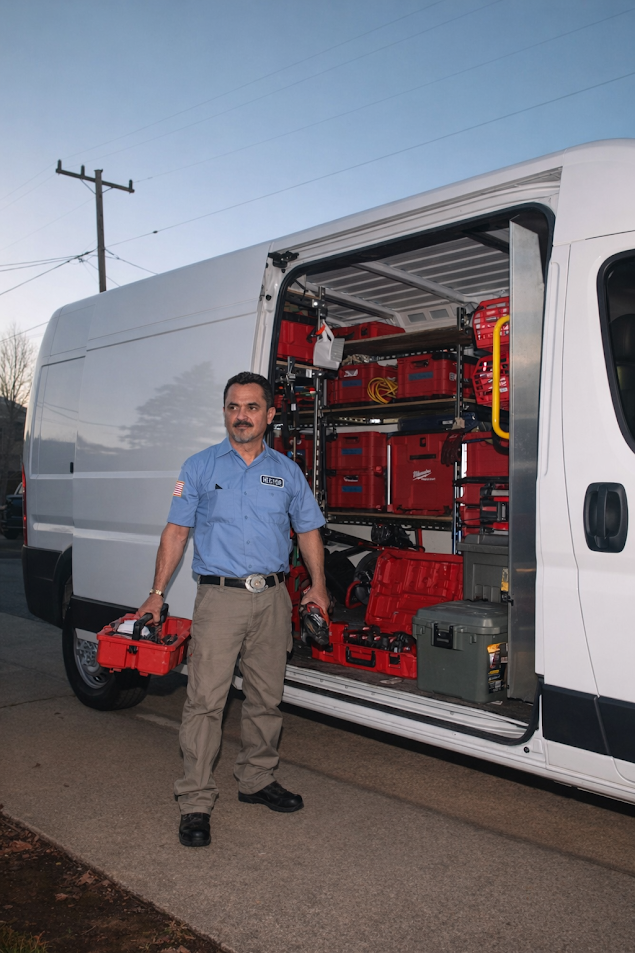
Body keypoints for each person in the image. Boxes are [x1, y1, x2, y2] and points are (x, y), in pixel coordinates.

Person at [137, 371, 328, 848]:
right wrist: (156, 593)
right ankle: (195, 800)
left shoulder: (287, 472)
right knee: (205, 702)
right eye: (233, 407)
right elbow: (176, 531)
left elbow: (307, 530)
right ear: (225, 412)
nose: (241, 416)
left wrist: (319, 588)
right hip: (219, 599)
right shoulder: (199, 467)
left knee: (267, 698)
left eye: (251, 407)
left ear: (269, 414)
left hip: (273, 598)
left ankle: (257, 779)